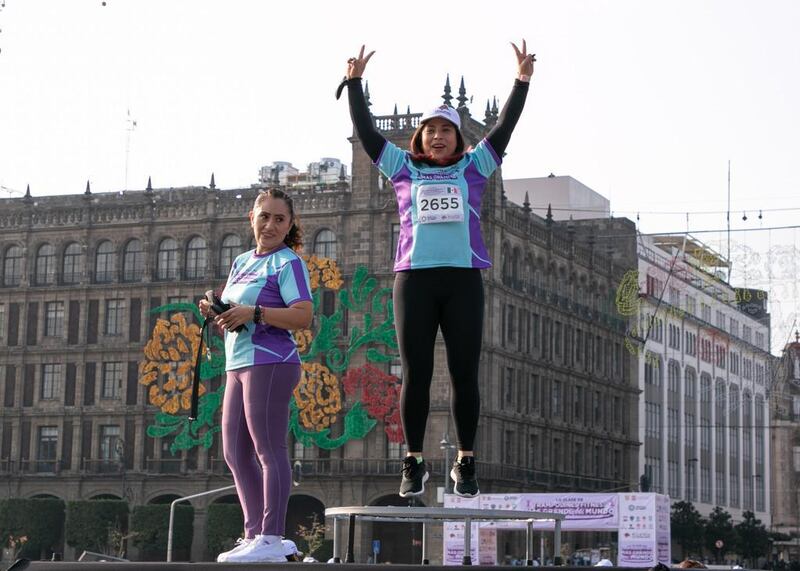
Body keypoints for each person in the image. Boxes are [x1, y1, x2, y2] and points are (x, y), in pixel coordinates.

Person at [341, 42, 534, 498]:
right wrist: (354, 83)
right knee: (416, 371)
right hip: (415, 280)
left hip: (464, 278)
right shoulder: (402, 168)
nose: (438, 136)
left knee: (466, 370)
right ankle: (413, 461)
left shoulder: (475, 167)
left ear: (459, 137)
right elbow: (367, 133)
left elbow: (505, 127)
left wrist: (521, 81)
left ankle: (466, 462)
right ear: (419, 138)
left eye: (447, 130)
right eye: (431, 130)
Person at [199, 188, 313, 563]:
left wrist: (256, 312)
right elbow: (236, 318)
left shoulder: (287, 263)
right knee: (234, 452)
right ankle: (253, 535)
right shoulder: (242, 261)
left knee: (269, 449)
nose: (270, 225)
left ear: (289, 224)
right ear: (252, 217)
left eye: (280, 219)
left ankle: (271, 536)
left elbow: (302, 316)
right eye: (264, 216)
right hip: (238, 363)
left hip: (272, 362)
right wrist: (219, 313)